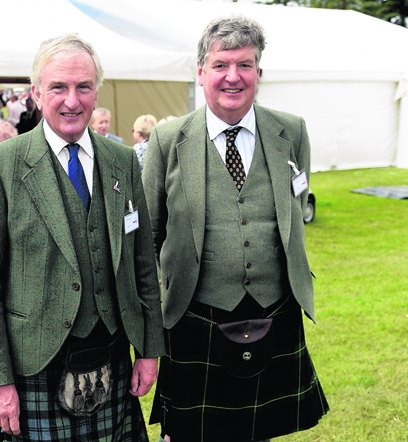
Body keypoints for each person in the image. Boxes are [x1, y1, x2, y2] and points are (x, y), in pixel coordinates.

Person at [0, 33, 165, 442]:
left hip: (112, 356)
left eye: (83, 87)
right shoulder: (0, 165)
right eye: (58, 87)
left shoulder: (123, 161)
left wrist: (149, 348)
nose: (72, 100)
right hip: (33, 368)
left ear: (96, 92)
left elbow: (143, 262)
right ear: (37, 93)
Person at [143, 16, 329, 442]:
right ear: (200, 71)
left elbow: (295, 204)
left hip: (274, 308)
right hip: (194, 316)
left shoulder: (292, 131)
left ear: (259, 73)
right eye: (221, 64)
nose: (233, 77)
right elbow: (148, 238)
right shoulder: (168, 140)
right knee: (189, 433)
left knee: (259, 430)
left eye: (244, 65)